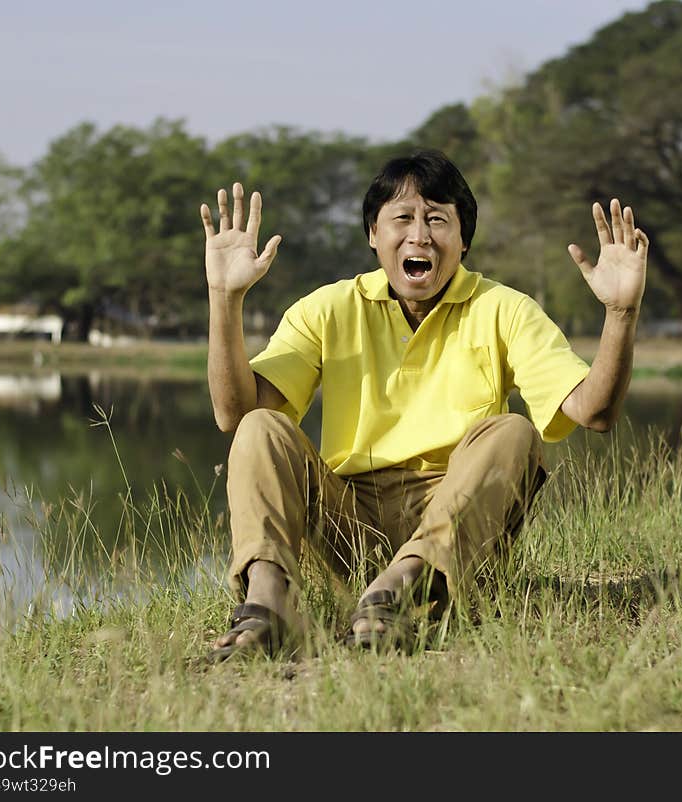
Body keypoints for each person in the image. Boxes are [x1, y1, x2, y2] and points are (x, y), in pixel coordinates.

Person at [201, 150, 648, 661]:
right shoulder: (328, 308)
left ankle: (399, 591)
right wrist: (224, 299)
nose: (419, 235)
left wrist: (621, 312)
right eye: (402, 218)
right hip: (352, 523)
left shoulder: (504, 309)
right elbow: (233, 415)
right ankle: (270, 608)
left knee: (514, 432)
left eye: (438, 219)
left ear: (463, 240)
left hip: (455, 525)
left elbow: (594, 411)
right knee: (262, 426)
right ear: (373, 234)